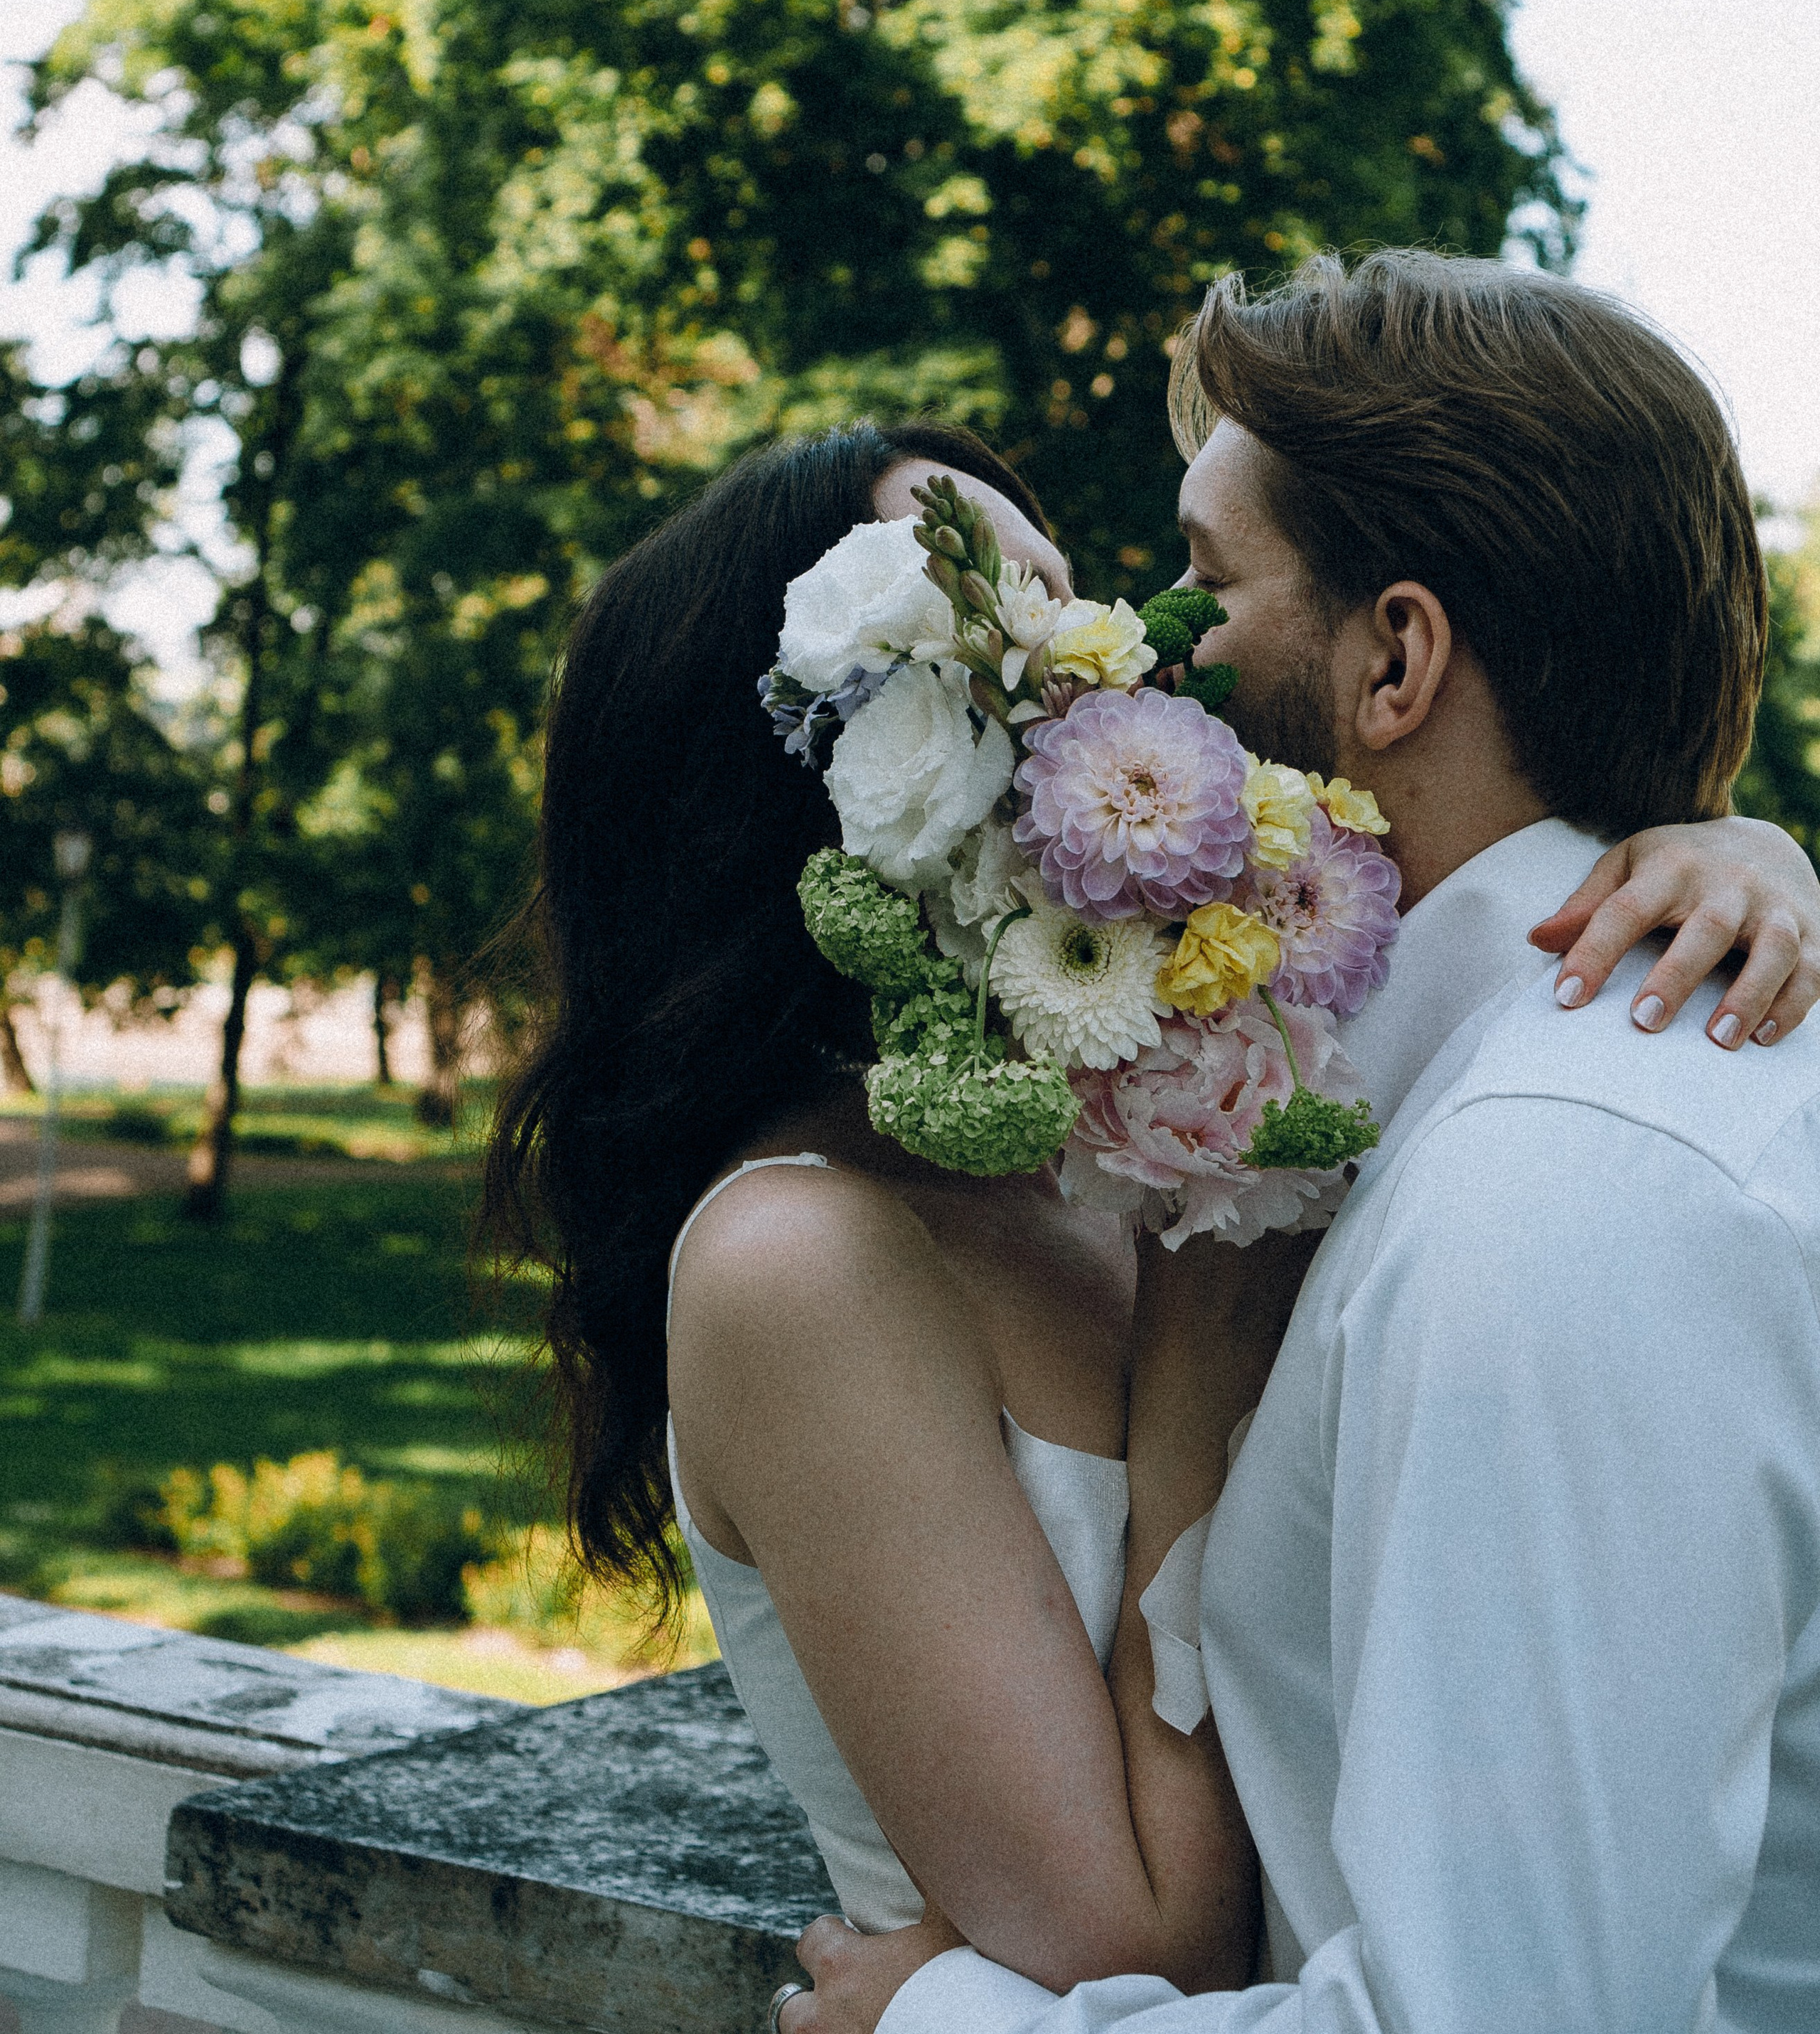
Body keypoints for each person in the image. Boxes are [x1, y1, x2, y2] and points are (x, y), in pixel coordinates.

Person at [481, 399, 1820, 2002]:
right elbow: (1136, 1951)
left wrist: (1726, 844)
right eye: (995, 630)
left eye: (1070, 602)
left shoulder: (1124, 1126)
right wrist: (1193, 1361)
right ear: (793, 761)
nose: (1112, 671)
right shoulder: (800, 1259)